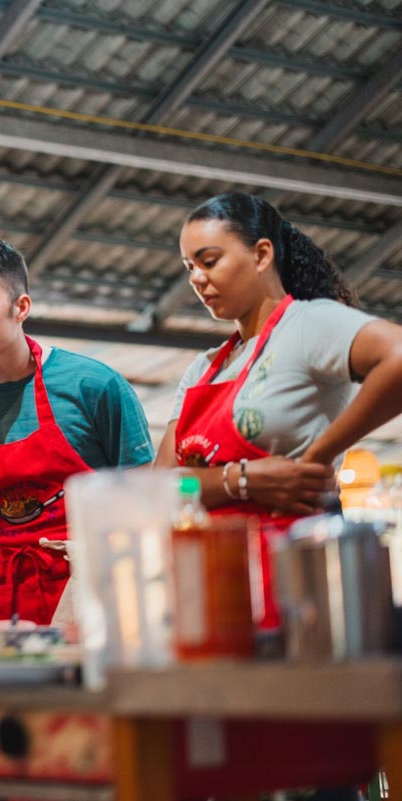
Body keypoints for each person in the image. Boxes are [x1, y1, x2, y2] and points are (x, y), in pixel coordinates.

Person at [154, 192, 402, 630]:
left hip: (301, 583)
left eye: (209, 261)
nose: (196, 278)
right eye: (188, 266)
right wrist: (241, 480)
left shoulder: (307, 326)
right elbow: (160, 489)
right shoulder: (203, 368)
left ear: (261, 253)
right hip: (216, 589)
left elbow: (397, 357)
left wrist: (317, 456)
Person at [0, 237, 154, 625]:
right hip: (11, 604)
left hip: (101, 598)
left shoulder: (94, 386)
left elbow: (143, 501)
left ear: (21, 307)